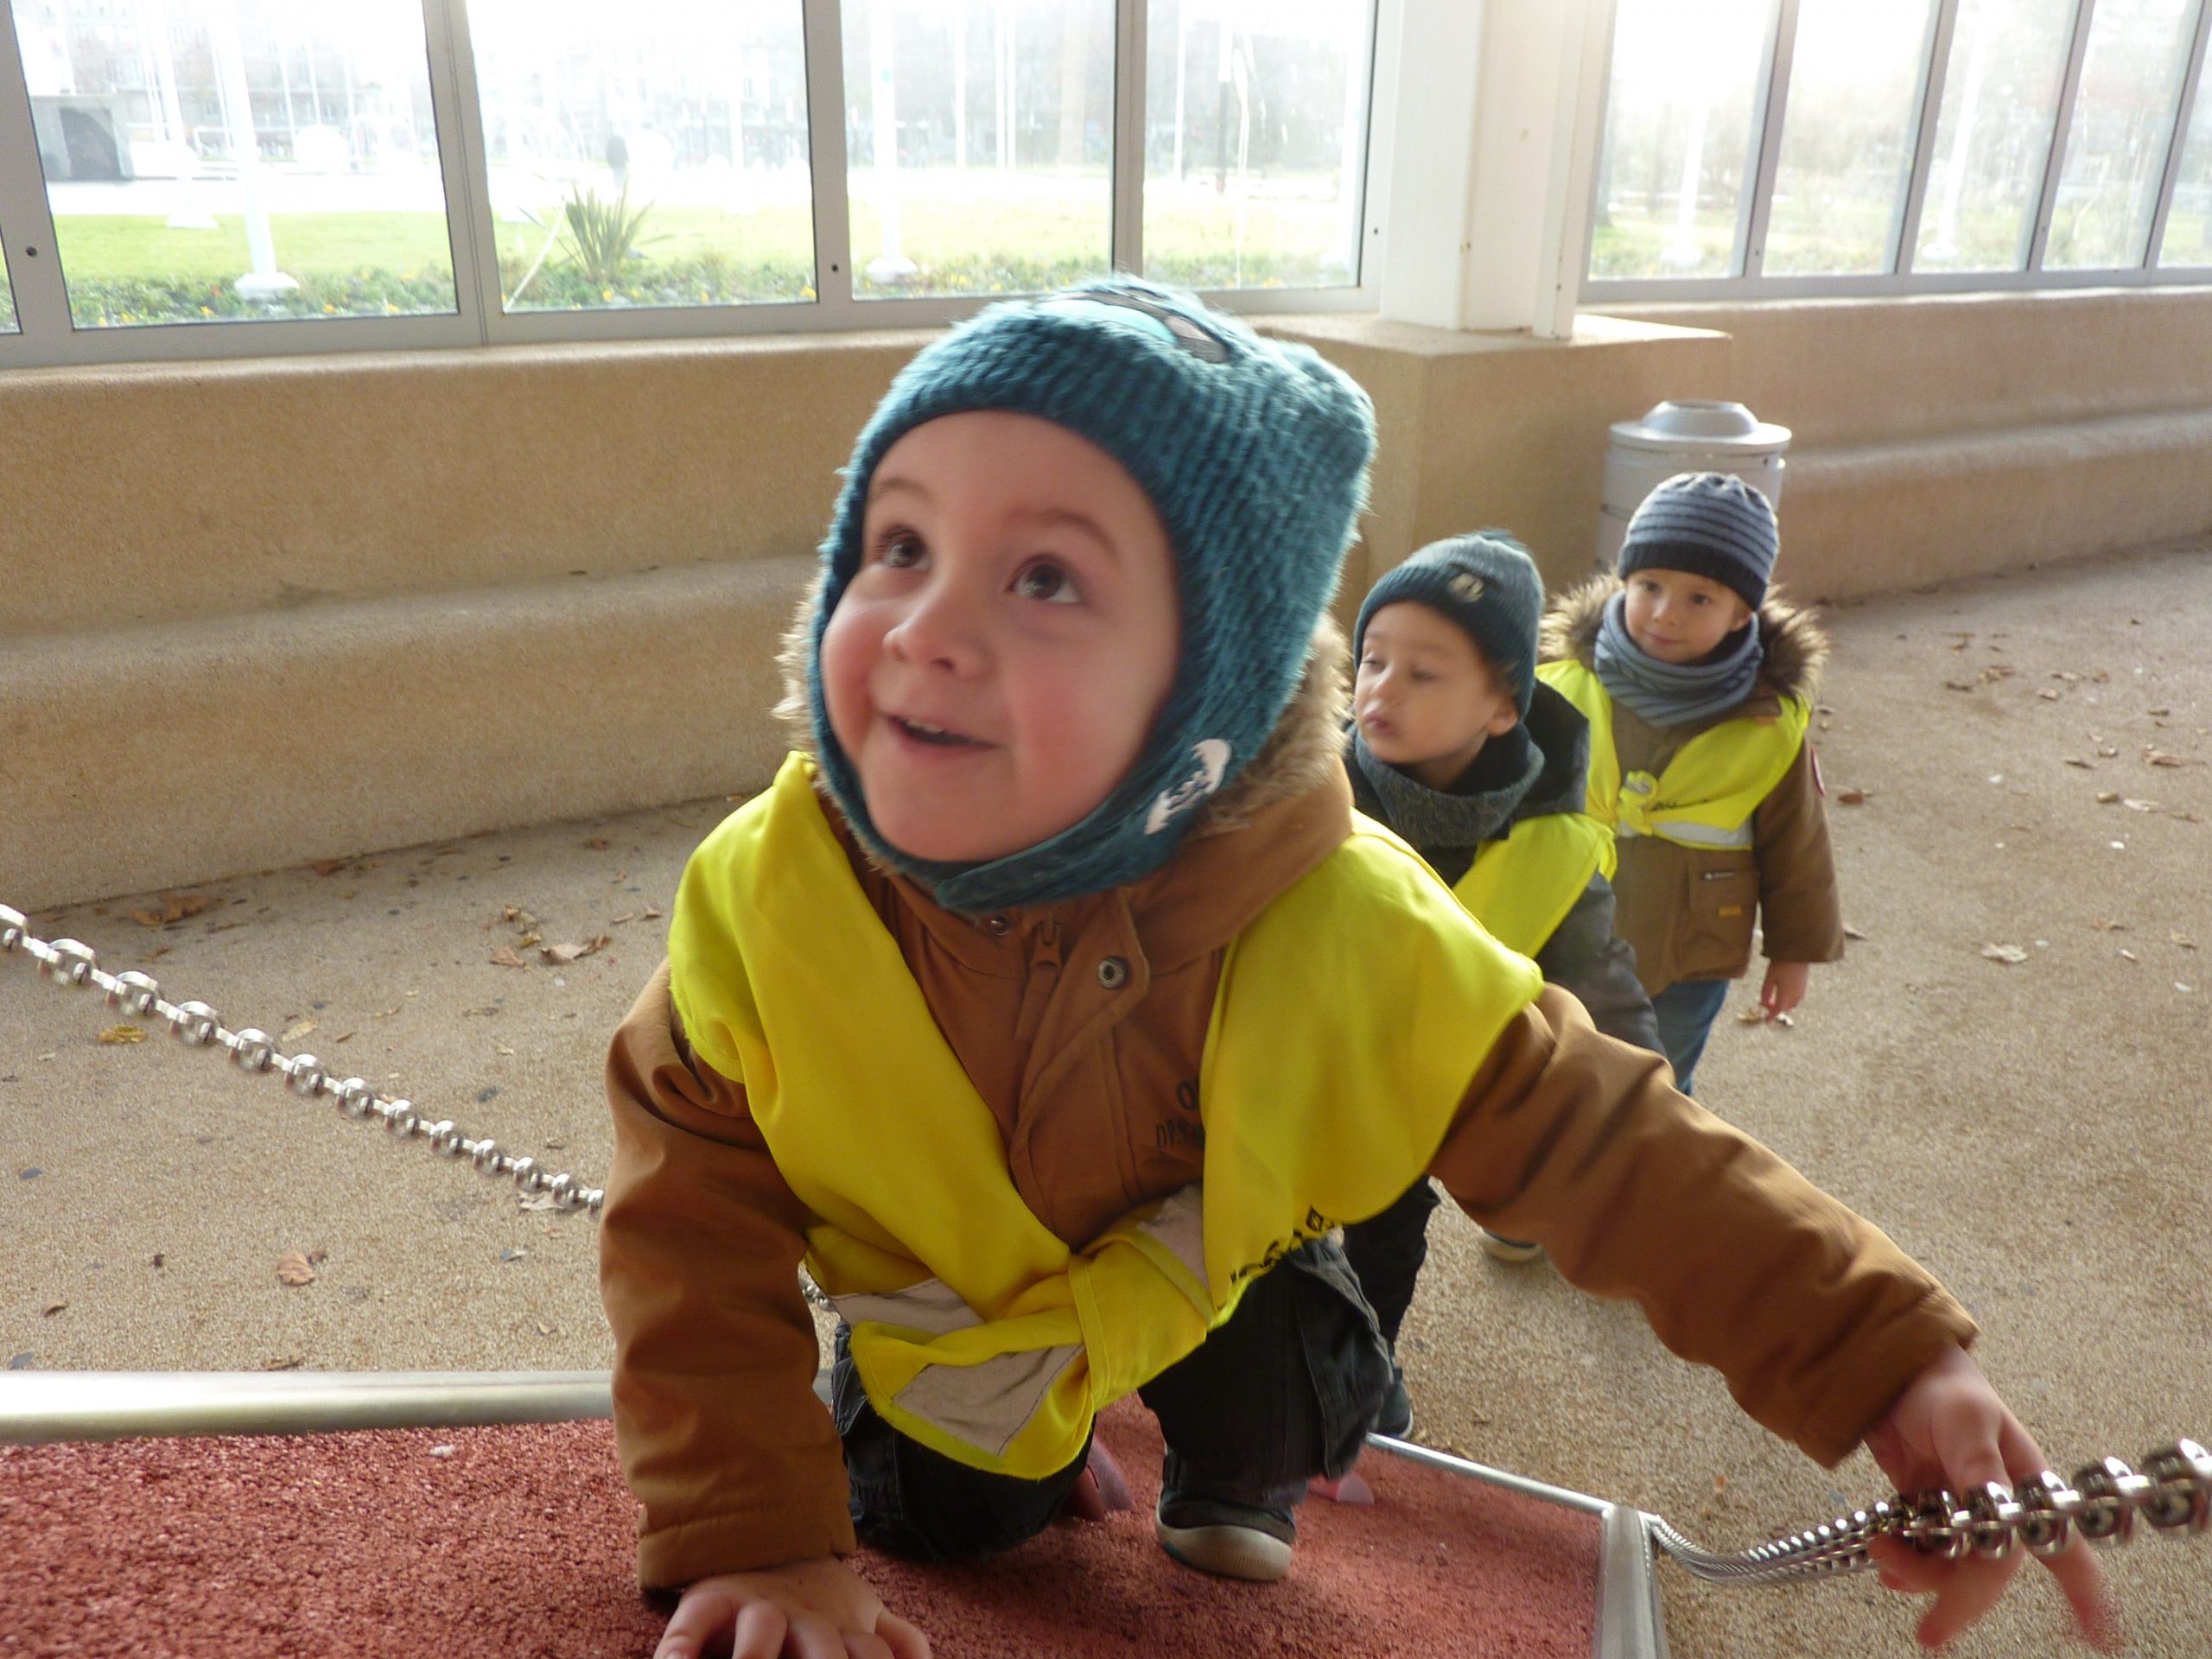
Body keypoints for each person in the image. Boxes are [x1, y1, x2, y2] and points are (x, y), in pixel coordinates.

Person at [597, 281, 2112, 1659]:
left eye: (1047, 578)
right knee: (955, 1515)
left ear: (1218, 684)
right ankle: (962, 1423)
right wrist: (755, 1535)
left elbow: (1606, 1137)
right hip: (960, 1300)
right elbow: (690, 1218)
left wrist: (1886, 1358)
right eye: (900, 544)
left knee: (1293, 1407)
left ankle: (1227, 1395)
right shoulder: (770, 891)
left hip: (1202, 1268)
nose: (926, 627)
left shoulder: (1346, 918)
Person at [1338, 532, 1661, 1436]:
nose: (1379, 690)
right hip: (1286, 1071)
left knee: (1387, 1236)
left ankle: (1366, 1363)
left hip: (1412, 1105)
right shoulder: (1308, 789)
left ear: (1501, 707)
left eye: (1423, 674)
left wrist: (1639, 1111)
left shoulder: (1554, 845)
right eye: (1372, 661)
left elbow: (1602, 984)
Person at [1539, 473, 1840, 1096]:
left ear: (1741, 616)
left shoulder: (1769, 720)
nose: (1664, 613)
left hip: (1692, 950)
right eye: (1649, 586)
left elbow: (1797, 843)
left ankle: (1651, 1173)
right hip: (1572, 929)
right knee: (1560, 1069)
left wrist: (1794, 951)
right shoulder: (1566, 682)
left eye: (1699, 600)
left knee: (1662, 1084)